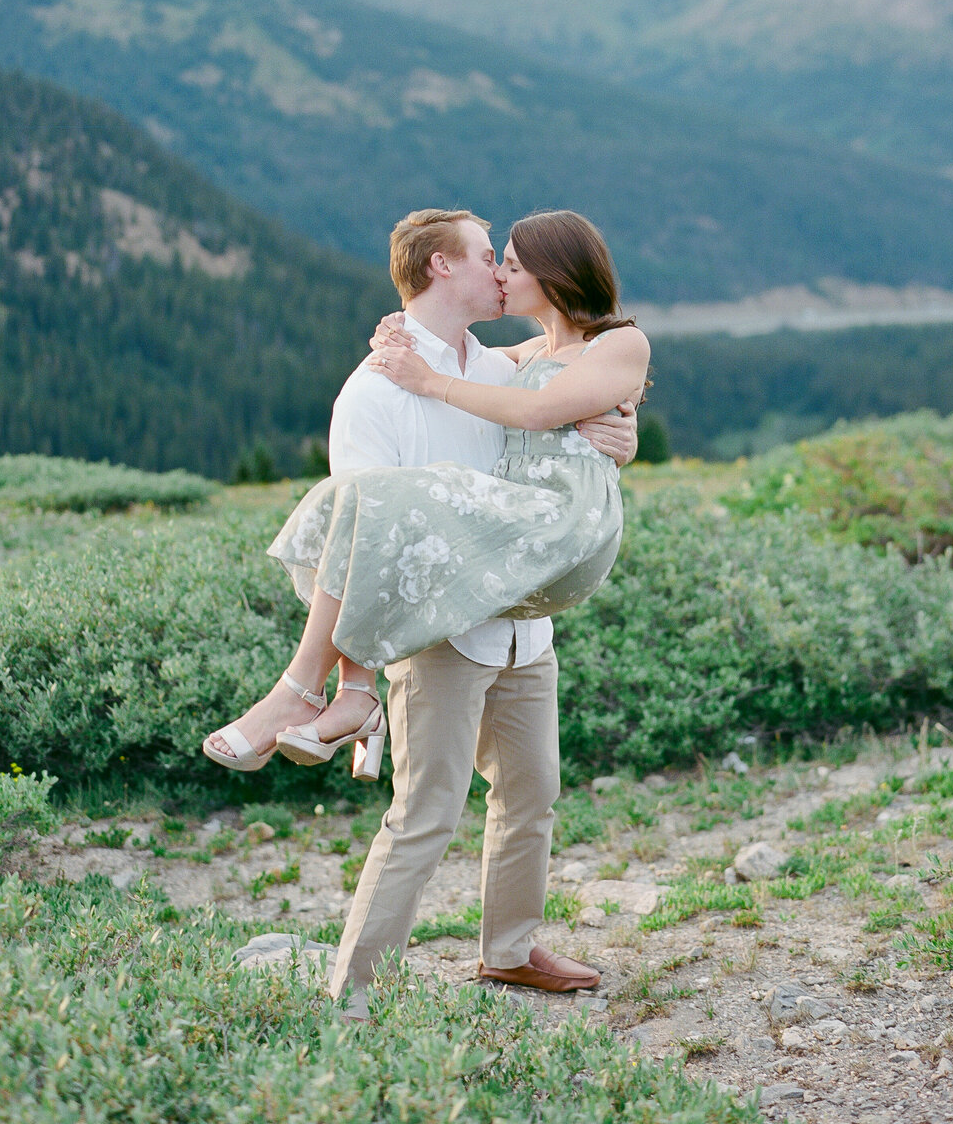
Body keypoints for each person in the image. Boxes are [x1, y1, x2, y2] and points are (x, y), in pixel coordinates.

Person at [204, 207, 646, 1004]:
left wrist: (621, 429)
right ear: (445, 267)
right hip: (442, 634)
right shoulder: (374, 393)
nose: (500, 272)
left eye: (511, 260)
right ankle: (356, 988)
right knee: (426, 814)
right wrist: (360, 669)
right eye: (490, 256)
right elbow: (361, 539)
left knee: (531, 796)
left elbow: (565, 403)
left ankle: (509, 950)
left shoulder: (503, 365)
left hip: (522, 627)